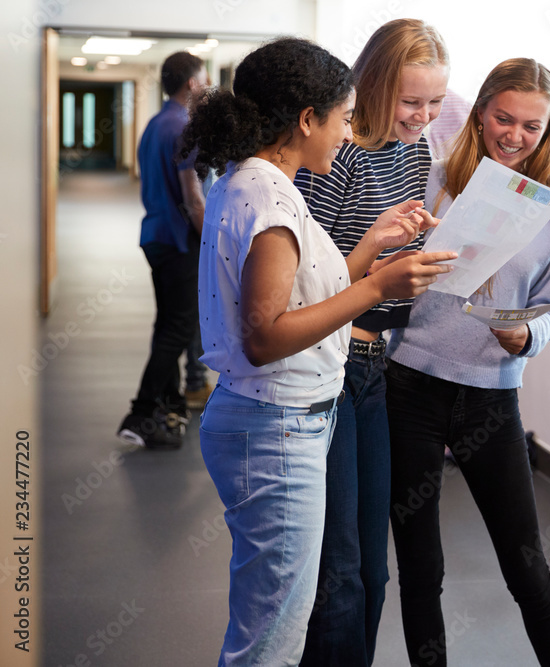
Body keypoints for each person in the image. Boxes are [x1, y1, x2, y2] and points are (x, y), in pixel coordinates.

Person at [179, 37, 455, 665]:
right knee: (272, 638)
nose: (348, 133)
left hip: (274, 420)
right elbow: (266, 334)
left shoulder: (254, 182)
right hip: (275, 426)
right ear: (308, 119)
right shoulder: (272, 200)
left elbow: (309, 291)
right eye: (345, 118)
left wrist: (372, 248)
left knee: (277, 619)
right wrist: (378, 286)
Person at [385, 58, 550, 667]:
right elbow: (380, 273)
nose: (514, 135)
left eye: (532, 126)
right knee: (421, 567)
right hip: (410, 388)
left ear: (549, 130)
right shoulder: (431, 181)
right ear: (479, 113)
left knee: (526, 566)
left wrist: (526, 337)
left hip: (490, 398)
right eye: (504, 118)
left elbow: (549, 311)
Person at [293, 18, 450, 666]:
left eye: (436, 103)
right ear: (374, 87)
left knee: (371, 574)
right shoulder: (336, 154)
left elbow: (395, 259)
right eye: (412, 102)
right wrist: (380, 262)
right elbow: (306, 289)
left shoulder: (417, 153)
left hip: (376, 368)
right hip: (327, 368)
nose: (423, 117)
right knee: (341, 576)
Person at [117, 51, 207, 449]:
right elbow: (193, 199)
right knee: (179, 328)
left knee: (168, 323)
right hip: (177, 240)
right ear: (191, 83)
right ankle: (139, 414)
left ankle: (166, 408)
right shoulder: (184, 126)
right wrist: (214, 243)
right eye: (204, 78)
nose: (206, 84)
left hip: (154, 236)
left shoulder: (155, 123)